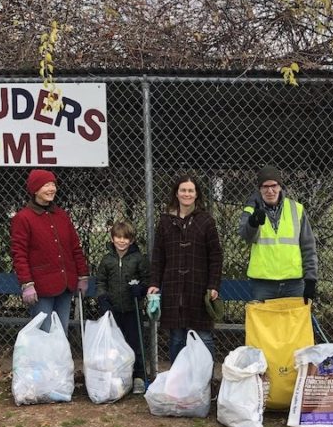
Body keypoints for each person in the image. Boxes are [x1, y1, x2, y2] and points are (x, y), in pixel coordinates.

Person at [147, 175, 223, 362]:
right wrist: (155, 282)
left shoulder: (206, 221)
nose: (187, 194)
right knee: (177, 338)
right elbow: (158, 255)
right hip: (173, 287)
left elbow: (216, 256)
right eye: (183, 190)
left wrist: (213, 285)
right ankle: (178, 383)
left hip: (198, 286)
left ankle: (206, 381)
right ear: (176, 193)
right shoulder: (165, 222)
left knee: (203, 336)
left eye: (190, 190)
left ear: (196, 194)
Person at [10, 169, 90, 333]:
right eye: (46, 185)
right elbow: (19, 253)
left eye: (53, 184)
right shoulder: (23, 218)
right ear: (35, 189)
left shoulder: (61, 215)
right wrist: (27, 284)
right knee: (44, 333)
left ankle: (60, 360)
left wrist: (82, 276)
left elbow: (75, 247)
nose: (51, 189)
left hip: (66, 284)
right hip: (41, 287)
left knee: (61, 331)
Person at [238, 166, 318, 302]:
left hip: (294, 283)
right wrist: (253, 223)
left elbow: (308, 246)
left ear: (280, 186)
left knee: (293, 324)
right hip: (263, 284)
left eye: (274, 185)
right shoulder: (251, 209)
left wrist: (310, 279)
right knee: (264, 323)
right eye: (265, 186)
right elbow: (246, 236)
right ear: (260, 189)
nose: (270, 190)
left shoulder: (296, 209)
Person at [95, 221, 150, 394]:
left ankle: (139, 376)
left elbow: (147, 279)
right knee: (114, 346)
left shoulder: (138, 259)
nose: (121, 241)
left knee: (135, 343)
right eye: (118, 237)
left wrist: (140, 289)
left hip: (132, 309)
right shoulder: (107, 260)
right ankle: (117, 376)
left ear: (131, 240)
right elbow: (101, 281)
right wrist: (103, 297)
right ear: (112, 239)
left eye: (126, 238)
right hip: (113, 309)